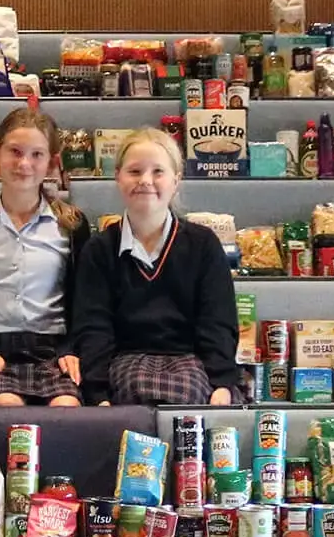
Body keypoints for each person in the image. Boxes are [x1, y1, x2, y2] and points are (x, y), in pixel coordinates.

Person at [69, 127, 246, 406]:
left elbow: (218, 322)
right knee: (136, 392)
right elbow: (93, 328)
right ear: (117, 177)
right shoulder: (99, 249)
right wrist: (98, 393)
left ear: (176, 180)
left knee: (185, 394)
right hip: (125, 362)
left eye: (158, 172)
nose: (146, 181)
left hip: (189, 361)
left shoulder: (203, 244)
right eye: (135, 171)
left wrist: (222, 383)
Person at [0, 105, 92, 406]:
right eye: (15, 152)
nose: (24, 163)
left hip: (53, 350)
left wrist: (72, 349)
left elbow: (86, 303)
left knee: (65, 408)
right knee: (7, 405)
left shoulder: (72, 226)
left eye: (37, 155)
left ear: (52, 163)